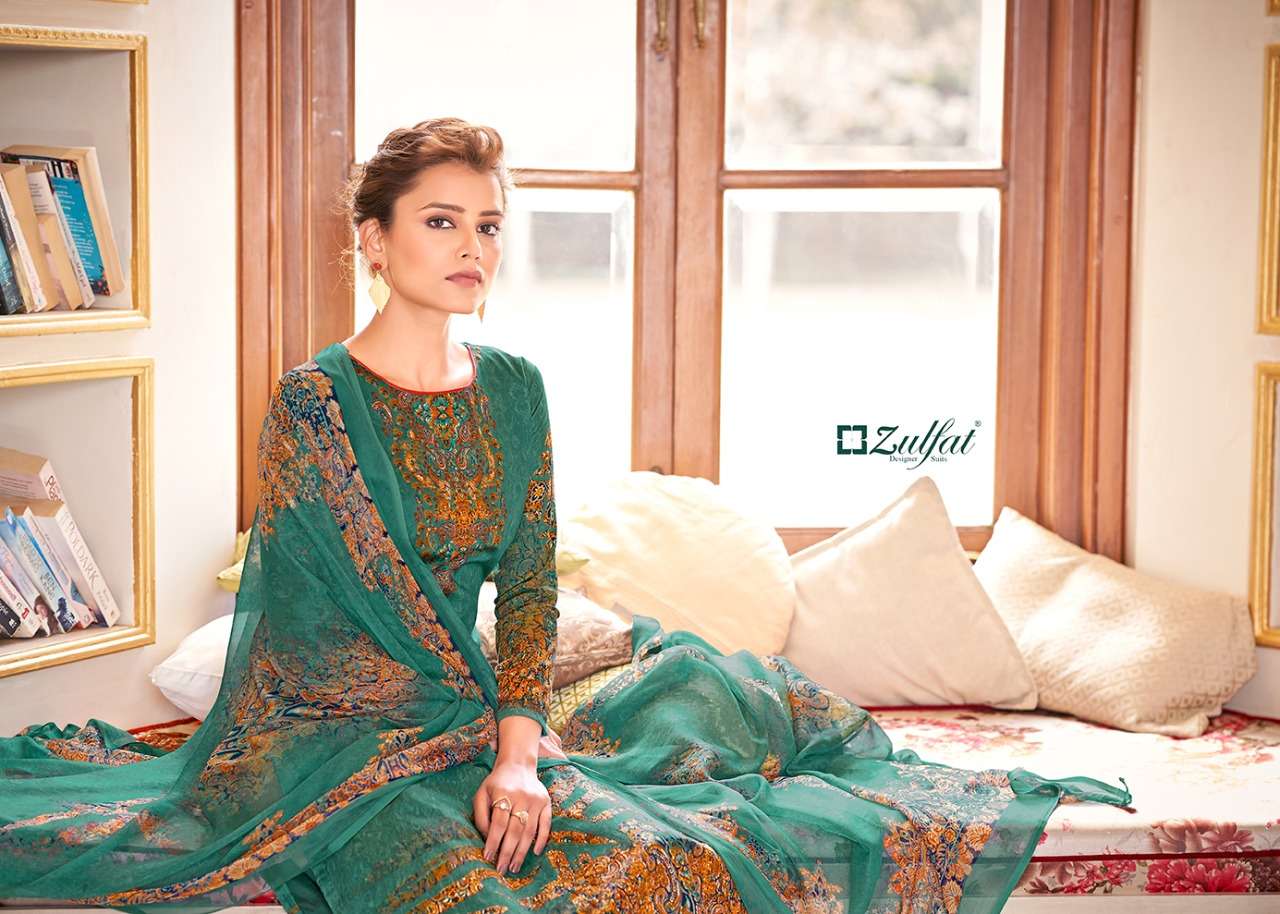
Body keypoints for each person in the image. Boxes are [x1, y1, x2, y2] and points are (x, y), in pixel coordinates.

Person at [0, 117, 1133, 914]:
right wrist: (439, 743)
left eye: (490, 226)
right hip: (339, 739)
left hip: (478, 717)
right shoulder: (315, 402)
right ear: (374, 239)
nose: (472, 248)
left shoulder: (515, 389)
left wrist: (517, 750)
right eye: (441, 222)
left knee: (676, 803)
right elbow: (307, 635)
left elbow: (531, 584)